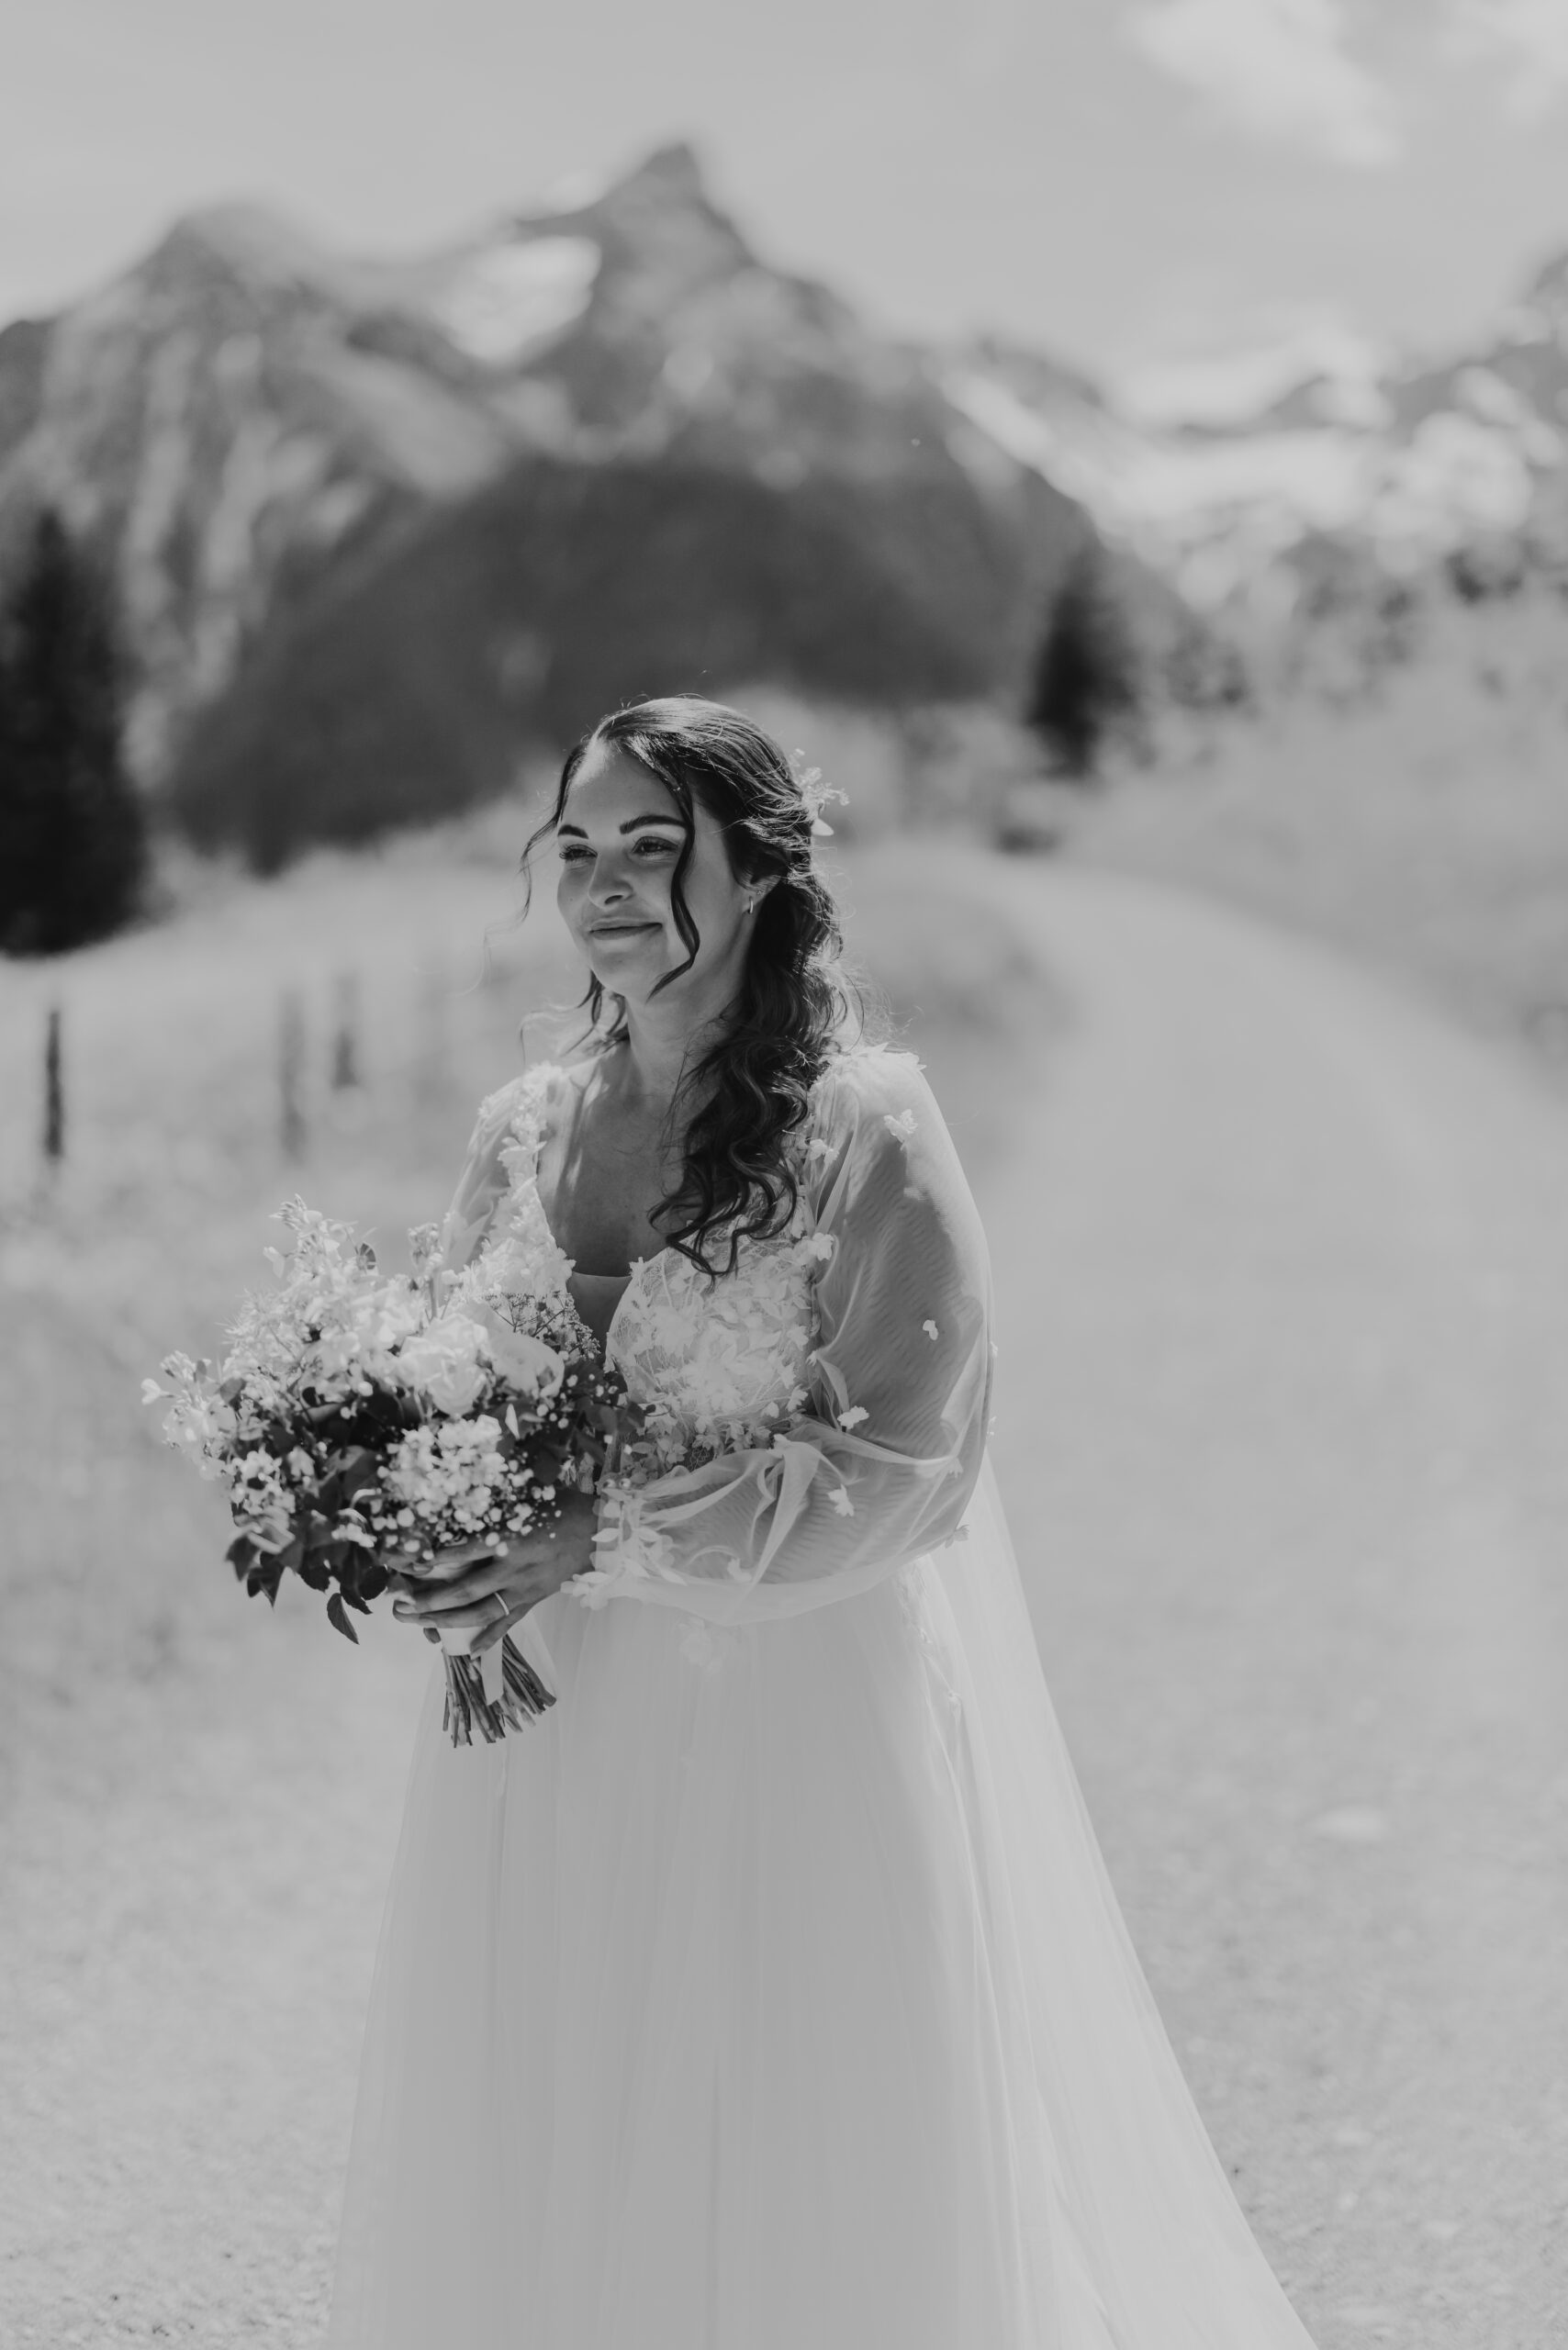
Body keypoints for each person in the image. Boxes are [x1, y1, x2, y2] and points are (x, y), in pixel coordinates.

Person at [326, 696, 1322, 2348]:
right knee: (563, 2119)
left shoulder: (867, 1126)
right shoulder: (521, 1128)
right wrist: (417, 1521)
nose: (606, 885)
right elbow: (447, 1387)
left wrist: (600, 1539)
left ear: (762, 872)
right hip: (553, 1733)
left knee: (788, 2141)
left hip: (789, 1725)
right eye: (578, 849)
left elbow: (912, 1461)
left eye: (656, 846)